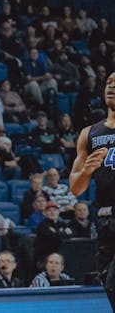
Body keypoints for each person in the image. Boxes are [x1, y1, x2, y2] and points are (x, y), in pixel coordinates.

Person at [69, 72, 115, 306]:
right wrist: (86, 171)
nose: (112, 87)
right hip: (105, 219)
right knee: (108, 282)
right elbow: (75, 189)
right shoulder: (90, 133)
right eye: (108, 83)